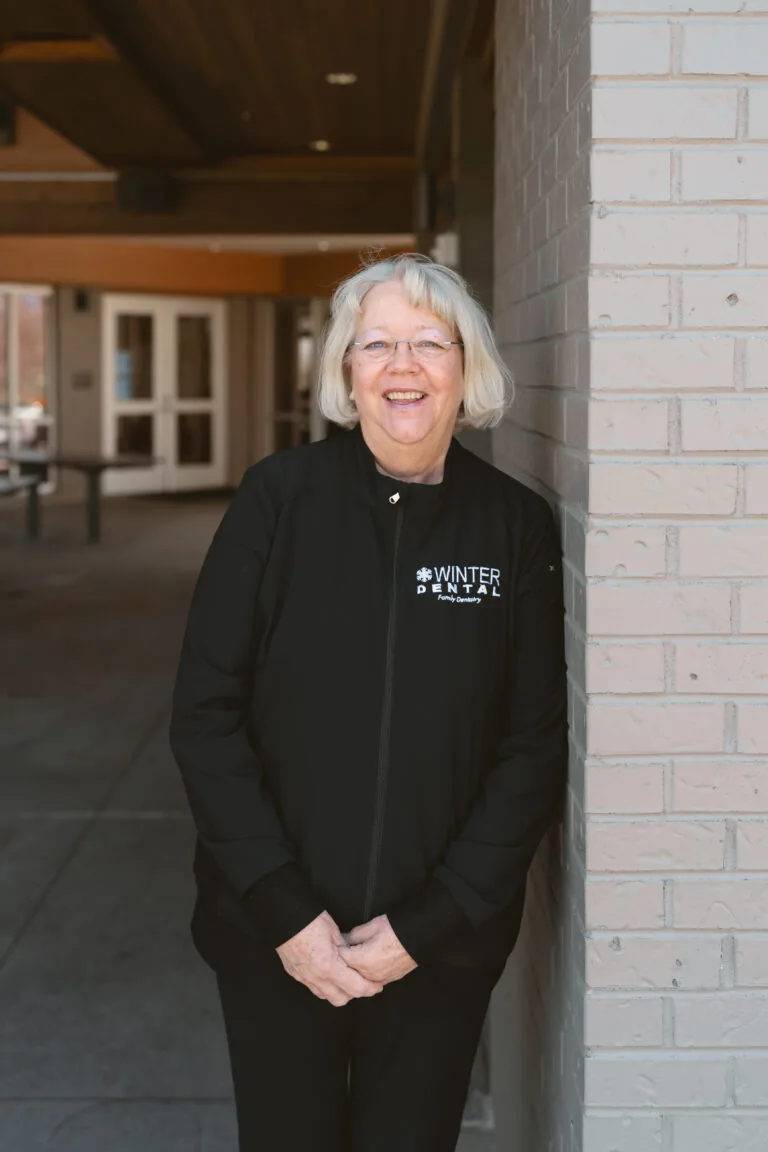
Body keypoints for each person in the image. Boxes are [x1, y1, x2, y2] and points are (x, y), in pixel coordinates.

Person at [169, 254, 569, 1152]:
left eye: (431, 342)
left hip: (437, 948)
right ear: (346, 368)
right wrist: (286, 914)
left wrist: (426, 927)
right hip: (274, 938)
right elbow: (205, 714)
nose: (403, 365)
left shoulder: (512, 526)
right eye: (377, 342)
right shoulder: (279, 501)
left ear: (467, 368)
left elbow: (533, 746)